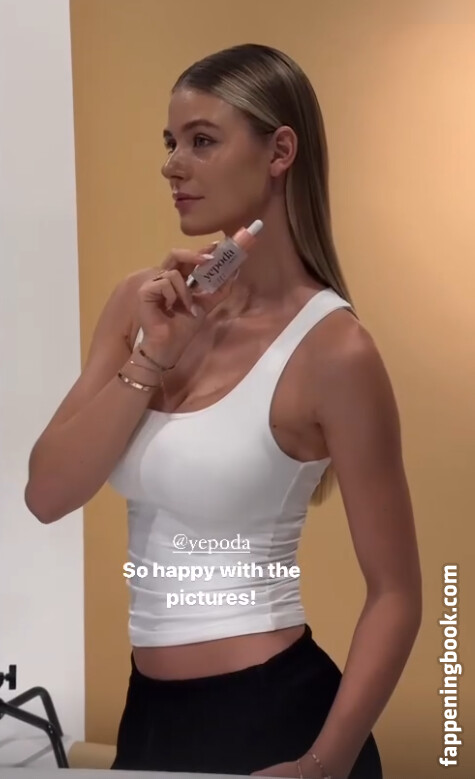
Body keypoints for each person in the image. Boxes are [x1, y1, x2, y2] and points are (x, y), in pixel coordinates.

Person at [25, 44, 422, 778]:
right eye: (170, 142)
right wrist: (153, 356)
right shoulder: (142, 304)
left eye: (202, 140)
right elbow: (46, 494)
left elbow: (397, 593)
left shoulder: (335, 350)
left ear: (279, 152)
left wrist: (325, 761)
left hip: (276, 720)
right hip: (148, 717)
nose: (173, 165)